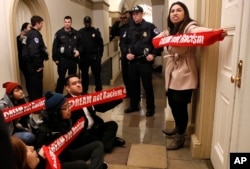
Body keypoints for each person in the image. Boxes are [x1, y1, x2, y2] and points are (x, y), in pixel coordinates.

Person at [156, 1, 227, 150]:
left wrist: (216, 32)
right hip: (172, 70)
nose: (175, 13)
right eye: (172, 11)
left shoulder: (189, 27)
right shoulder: (170, 30)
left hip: (184, 72)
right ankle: (178, 127)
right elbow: (157, 39)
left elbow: (200, 32)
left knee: (180, 105)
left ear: (185, 13)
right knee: (172, 102)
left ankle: (180, 135)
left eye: (179, 10)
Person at [35, 91, 107, 169]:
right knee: (80, 165)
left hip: (67, 154)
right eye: (65, 108)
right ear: (56, 112)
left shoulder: (67, 121)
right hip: (57, 164)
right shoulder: (44, 132)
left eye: (69, 105)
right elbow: (42, 163)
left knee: (98, 145)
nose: (69, 109)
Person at [64, 74, 125, 153]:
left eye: (79, 82)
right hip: (81, 132)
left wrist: (119, 98)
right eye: (74, 83)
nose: (78, 85)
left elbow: (102, 107)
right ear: (68, 88)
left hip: (94, 128)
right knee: (87, 138)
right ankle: (109, 142)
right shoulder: (66, 102)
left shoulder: (86, 95)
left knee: (112, 125)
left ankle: (104, 145)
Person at [123, 5, 161, 117]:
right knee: (133, 85)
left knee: (147, 85)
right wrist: (126, 53)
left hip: (145, 62)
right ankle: (134, 105)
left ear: (142, 14)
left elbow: (159, 41)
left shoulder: (150, 27)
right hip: (133, 62)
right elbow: (123, 44)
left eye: (137, 14)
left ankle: (150, 107)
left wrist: (153, 54)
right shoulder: (128, 28)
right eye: (133, 14)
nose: (135, 16)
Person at [22, 15, 49, 102]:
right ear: (37, 24)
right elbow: (34, 51)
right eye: (41, 24)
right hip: (34, 65)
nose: (42, 26)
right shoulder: (34, 34)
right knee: (36, 86)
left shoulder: (28, 33)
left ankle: (34, 104)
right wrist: (38, 65)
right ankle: (37, 107)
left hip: (28, 64)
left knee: (32, 85)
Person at [52, 16, 80, 94]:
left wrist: (79, 51)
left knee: (72, 78)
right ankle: (58, 95)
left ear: (71, 23)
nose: (67, 24)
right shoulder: (59, 33)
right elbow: (55, 47)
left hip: (72, 60)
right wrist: (55, 59)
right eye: (65, 22)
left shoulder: (76, 33)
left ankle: (72, 94)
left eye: (68, 22)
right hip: (62, 60)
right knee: (61, 78)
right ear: (64, 23)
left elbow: (80, 44)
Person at [77, 16, 104, 93]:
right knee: (84, 75)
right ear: (84, 22)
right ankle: (84, 91)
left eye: (88, 22)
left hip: (94, 57)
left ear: (90, 22)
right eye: (86, 22)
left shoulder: (95, 32)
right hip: (84, 57)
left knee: (97, 75)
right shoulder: (80, 32)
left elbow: (100, 44)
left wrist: (100, 56)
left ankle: (99, 90)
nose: (87, 24)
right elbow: (77, 44)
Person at [110, 11, 131, 97]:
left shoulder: (136, 27)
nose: (126, 19)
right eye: (125, 18)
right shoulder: (123, 28)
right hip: (124, 56)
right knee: (125, 76)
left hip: (134, 56)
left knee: (134, 77)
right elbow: (113, 32)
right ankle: (128, 92)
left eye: (128, 17)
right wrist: (118, 21)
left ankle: (135, 93)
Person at [17, 22, 32, 93]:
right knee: (28, 79)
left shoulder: (31, 37)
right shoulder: (19, 38)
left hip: (31, 61)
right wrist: (21, 39)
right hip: (24, 63)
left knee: (32, 79)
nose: (31, 28)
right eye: (29, 27)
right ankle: (30, 94)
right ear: (24, 29)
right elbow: (20, 49)